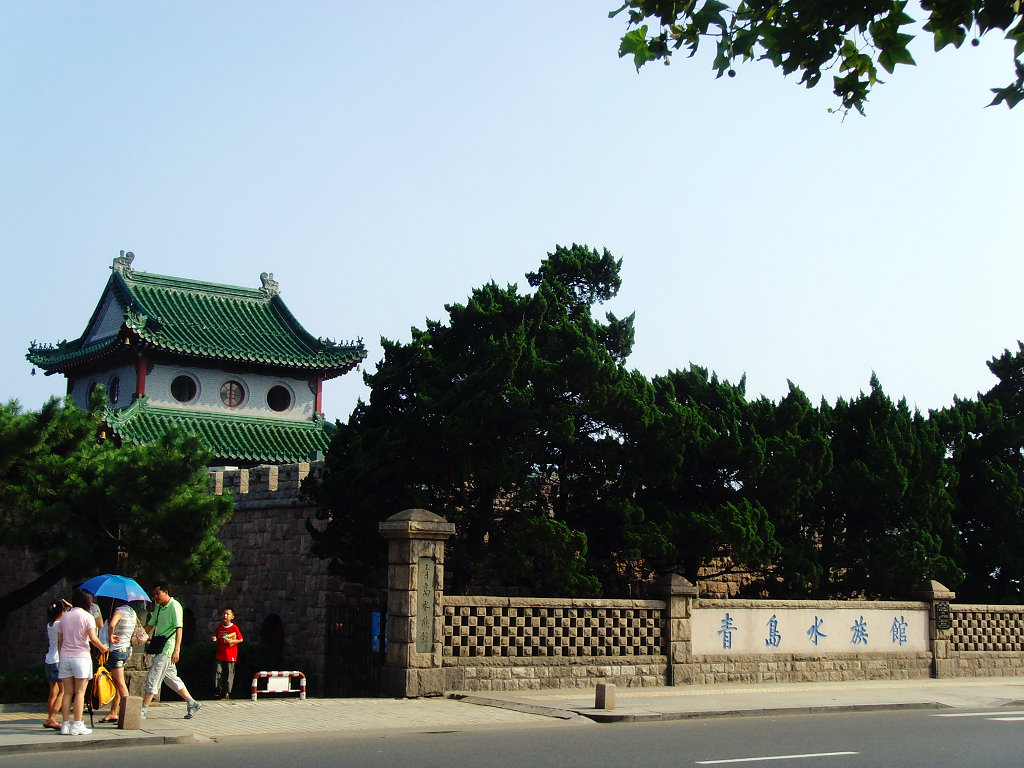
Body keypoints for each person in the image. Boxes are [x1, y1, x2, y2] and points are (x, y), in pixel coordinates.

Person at [140, 582, 201, 720]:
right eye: (154, 594)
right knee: (171, 679)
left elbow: (179, 628)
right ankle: (192, 702)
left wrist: (176, 650)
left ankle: (143, 709)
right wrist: (137, 635)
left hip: (167, 648)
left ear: (166, 592)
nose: (155, 597)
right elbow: (150, 625)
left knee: (153, 676)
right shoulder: (159, 608)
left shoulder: (175, 606)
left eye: (157, 593)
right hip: (160, 647)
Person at [57, 589, 109, 736]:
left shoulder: (65, 617)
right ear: (87, 602)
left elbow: (60, 641)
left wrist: (62, 657)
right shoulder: (87, 617)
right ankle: (77, 724)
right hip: (81, 657)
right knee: (80, 692)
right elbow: (93, 638)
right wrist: (103, 648)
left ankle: (65, 725)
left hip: (65, 656)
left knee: (67, 692)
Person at [101, 599, 137, 723]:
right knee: (118, 683)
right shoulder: (132, 612)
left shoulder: (119, 611)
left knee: (120, 683)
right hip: (126, 649)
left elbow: (112, 625)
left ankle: (129, 715)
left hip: (117, 649)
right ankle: (114, 712)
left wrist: (110, 636)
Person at [42, 599, 69, 730]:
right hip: (58, 660)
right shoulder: (61, 624)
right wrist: (71, 605)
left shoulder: (50, 624)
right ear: (62, 612)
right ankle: (52, 718)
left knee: (53, 691)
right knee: (63, 691)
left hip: (49, 659)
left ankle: (49, 717)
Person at [210, 608, 243, 699]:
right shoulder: (220, 627)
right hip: (220, 653)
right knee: (217, 671)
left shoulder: (234, 628)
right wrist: (215, 639)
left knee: (229, 673)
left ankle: (227, 692)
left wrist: (232, 642)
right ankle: (218, 688)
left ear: (232, 617)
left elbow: (241, 639)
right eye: (224, 614)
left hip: (230, 654)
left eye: (227, 614)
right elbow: (217, 636)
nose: (225, 615)